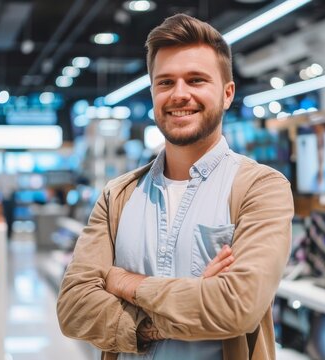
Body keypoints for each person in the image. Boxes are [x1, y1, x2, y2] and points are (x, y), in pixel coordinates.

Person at [57, 13, 293, 360]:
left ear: (227, 94)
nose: (179, 94)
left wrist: (127, 284)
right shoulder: (117, 195)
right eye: (165, 83)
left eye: (196, 80)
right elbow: (74, 309)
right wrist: (190, 301)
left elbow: (236, 307)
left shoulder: (260, 188)